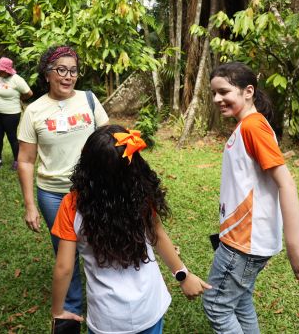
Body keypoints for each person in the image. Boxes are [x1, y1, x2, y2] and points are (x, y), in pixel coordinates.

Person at [51, 126, 211, 334]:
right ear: (134, 165)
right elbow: (159, 236)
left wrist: (57, 311)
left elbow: (64, 268)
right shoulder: (141, 196)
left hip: (107, 319)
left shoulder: (71, 205)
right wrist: (183, 275)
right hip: (149, 308)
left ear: (86, 162)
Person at [204, 62, 299, 333]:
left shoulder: (253, 127)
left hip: (243, 242)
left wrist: (294, 246)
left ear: (248, 91)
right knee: (240, 302)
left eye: (224, 91)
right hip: (244, 237)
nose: (218, 99)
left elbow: (286, 184)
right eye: (214, 93)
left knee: (217, 306)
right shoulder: (249, 125)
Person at [17, 45, 108, 317]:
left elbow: (107, 141)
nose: (68, 76)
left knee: (100, 244)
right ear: (47, 74)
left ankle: (105, 300)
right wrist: (30, 205)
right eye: (61, 70)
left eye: (73, 71)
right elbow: (25, 160)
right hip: (54, 194)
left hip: (93, 189)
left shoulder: (89, 100)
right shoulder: (33, 111)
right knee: (65, 251)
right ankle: (71, 308)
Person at [0, 57, 32, 170]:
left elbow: (29, 93)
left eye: (1, 70)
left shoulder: (17, 80)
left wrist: (19, 98)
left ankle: (17, 160)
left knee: (12, 137)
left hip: (11, 114)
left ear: (7, 70)